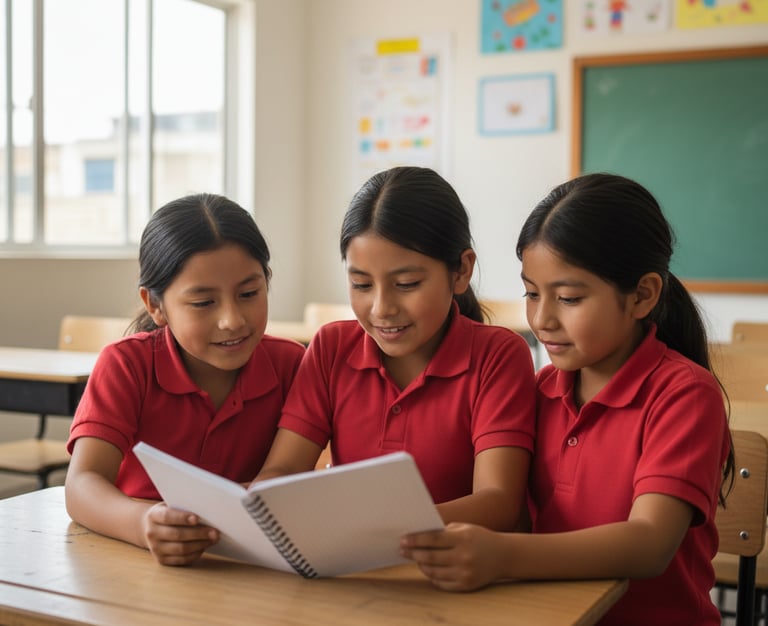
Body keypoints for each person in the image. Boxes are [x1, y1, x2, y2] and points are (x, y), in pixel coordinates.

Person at [400, 173, 734, 626]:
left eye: (569, 298)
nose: (542, 319)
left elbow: (649, 543)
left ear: (642, 295)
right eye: (532, 294)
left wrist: (503, 556)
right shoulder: (539, 392)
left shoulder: (684, 395)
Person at [252, 166, 536, 531]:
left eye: (406, 283)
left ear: (461, 271)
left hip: (452, 572)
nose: (381, 308)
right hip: (352, 567)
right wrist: (260, 499)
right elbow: (283, 469)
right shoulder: (331, 348)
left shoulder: (497, 356)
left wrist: (376, 526)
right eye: (361, 284)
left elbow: (499, 503)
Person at [65, 193, 304, 566]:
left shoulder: (292, 364)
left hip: (248, 568)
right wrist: (144, 523)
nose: (233, 320)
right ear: (155, 305)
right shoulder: (126, 365)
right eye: (204, 302)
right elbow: (82, 485)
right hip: (133, 561)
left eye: (249, 293)